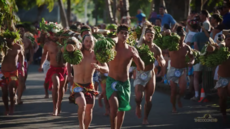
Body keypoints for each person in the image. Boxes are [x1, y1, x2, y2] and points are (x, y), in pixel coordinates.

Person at [106, 24, 145, 129]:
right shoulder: (111, 47)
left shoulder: (131, 50)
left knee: (122, 111)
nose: (124, 35)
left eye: (126, 33)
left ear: (128, 35)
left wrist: (137, 57)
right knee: (114, 108)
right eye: (121, 33)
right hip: (112, 82)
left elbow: (141, 67)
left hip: (124, 83)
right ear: (117, 34)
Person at [67, 35, 109, 129]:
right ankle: (81, 126)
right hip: (77, 85)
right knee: (82, 104)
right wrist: (69, 75)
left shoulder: (96, 55)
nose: (88, 43)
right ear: (83, 42)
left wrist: (99, 67)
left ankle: (86, 127)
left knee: (89, 110)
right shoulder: (76, 52)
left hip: (89, 86)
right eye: (86, 41)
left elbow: (106, 69)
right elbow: (64, 51)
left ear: (94, 43)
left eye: (90, 41)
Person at [134, 25, 166, 124]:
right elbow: (138, 46)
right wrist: (143, 30)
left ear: (154, 36)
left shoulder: (156, 49)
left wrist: (162, 63)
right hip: (140, 72)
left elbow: (161, 59)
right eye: (148, 35)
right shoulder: (140, 45)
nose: (149, 37)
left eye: (151, 35)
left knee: (149, 98)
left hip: (150, 73)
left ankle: (145, 118)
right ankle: (138, 106)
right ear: (145, 35)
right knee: (138, 96)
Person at [38, 30, 68, 116]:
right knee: (56, 86)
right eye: (52, 34)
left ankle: (59, 106)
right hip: (53, 69)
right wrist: (41, 65)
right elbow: (44, 55)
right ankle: (55, 108)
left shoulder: (64, 43)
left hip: (63, 68)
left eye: (56, 34)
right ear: (49, 35)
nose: (54, 36)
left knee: (62, 88)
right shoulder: (47, 45)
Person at [167, 26, 194, 113]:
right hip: (173, 70)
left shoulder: (187, 47)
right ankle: (173, 107)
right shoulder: (172, 46)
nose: (182, 38)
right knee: (173, 90)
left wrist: (191, 62)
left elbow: (192, 57)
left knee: (183, 89)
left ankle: (179, 98)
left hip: (183, 70)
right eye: (180, 36)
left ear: (185, 36)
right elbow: (163, 48)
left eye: (183, 36)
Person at [208, 34, 230, 123]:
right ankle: (224, 115)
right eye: (229, 39)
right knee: (222, 97)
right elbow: (210, 50)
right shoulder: (221, 49)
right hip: (222, 77)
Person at [1, 34, 24, 115]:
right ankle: (6, 108)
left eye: (11, 38)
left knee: (12, 90)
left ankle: (12, 108)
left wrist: (22, 67)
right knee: (4, 92)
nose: (10, 39)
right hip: (3, 72)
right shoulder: (2, 47)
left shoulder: (18, 47)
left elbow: (22, 56)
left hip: (13, 72)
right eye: (8, 37)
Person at [15, 24, 34, 105]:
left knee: (22, 81)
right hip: (14, 62)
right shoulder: (13, 40)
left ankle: (19, 98)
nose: (21, 32)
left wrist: (31, 58)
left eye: (22, 30)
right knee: (15, 80)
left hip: (24, 62)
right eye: (19, 30)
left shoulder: (28, 41)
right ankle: (15, 95)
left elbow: (31, 49)